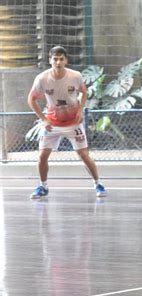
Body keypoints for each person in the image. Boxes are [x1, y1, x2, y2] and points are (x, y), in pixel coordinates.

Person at [28, 46, 106, 199]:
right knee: (42, 157)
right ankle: (43, 186)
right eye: (55, 59)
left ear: (66, 60)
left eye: (61, 59)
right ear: (50, 60)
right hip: (52, 124)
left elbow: (84, 92)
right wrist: (44, 119)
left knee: (83, 154)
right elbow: (31, 99)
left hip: (73, 123)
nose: (58, 62)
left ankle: (98, 184)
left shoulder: (75, 76)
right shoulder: (42, 79)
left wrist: (80, 110)